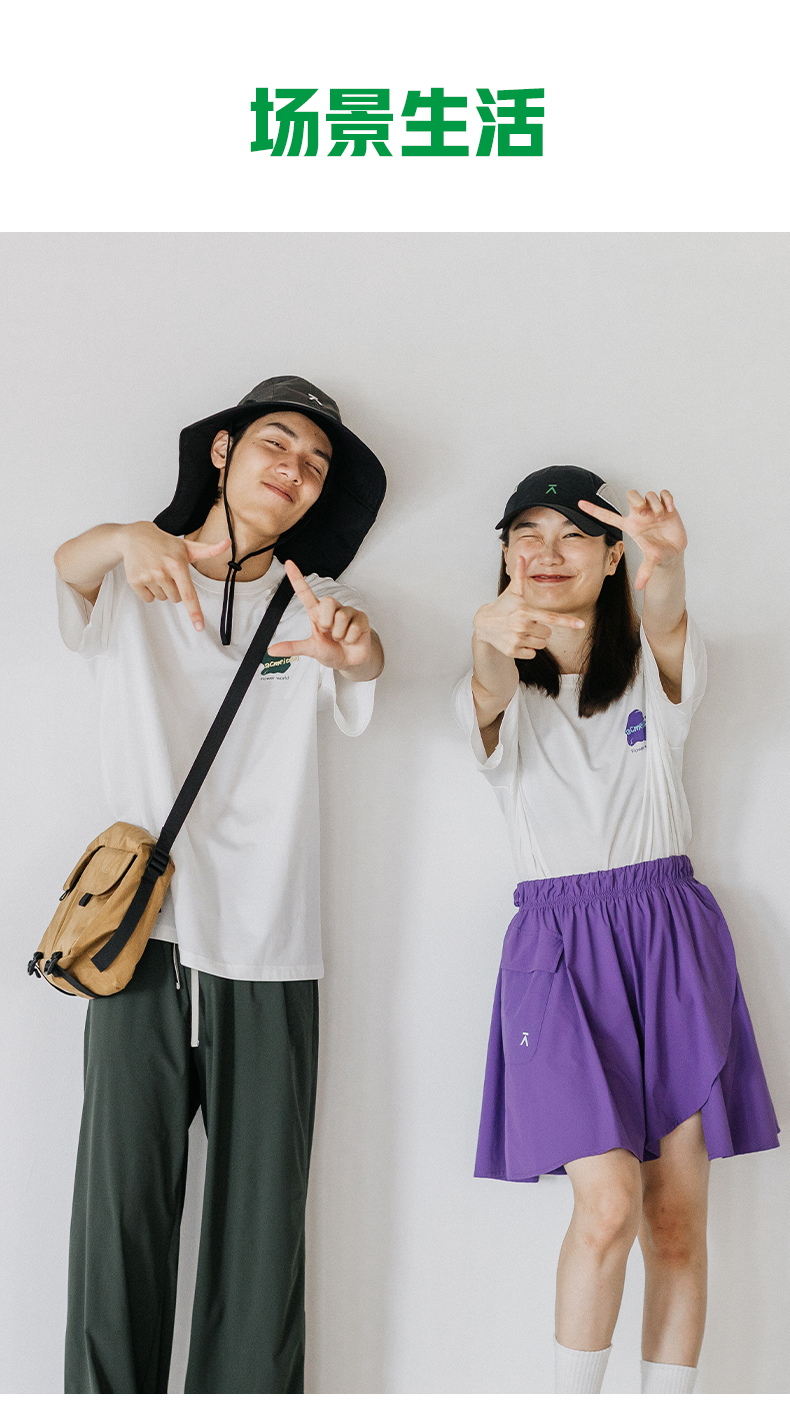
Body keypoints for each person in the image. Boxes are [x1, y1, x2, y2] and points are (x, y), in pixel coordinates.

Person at [53, 375, 386, 1394]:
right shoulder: (133, 572)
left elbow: (365, 662)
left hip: (272, 950)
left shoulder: (315, 606)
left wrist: (354, 650)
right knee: (118, 1223)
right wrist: (125, 535)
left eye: (316, 465)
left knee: (260, 1241)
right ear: (223, 450)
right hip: (136, 947)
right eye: (277, 443)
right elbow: (68, 566)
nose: (295, 469)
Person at [453, 465, 778, 1395]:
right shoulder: (495, 680)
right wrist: (485, 634)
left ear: (608, 558)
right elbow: (486, 682)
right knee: (606, 1207)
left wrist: (666, 563)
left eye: (573, 535)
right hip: (558, 950)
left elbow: (666, 616)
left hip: (666, 934)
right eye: (527, 534)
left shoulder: (649, 672)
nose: (547, 552)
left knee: (675, 1218)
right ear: (505, 556)